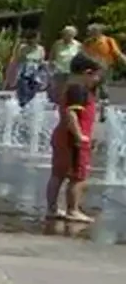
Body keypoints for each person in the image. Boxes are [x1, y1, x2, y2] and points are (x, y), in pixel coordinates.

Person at [49, 77, 97, 224]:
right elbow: (72, 113)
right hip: (73, 140)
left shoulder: (71, 87)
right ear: (88, 72)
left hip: (63, 136)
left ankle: (52, 209)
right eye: (97, 74)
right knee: (78, 176)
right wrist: (79, 136)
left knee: (58, 173)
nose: (98, 79)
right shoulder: (79, 89)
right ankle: (73, 210)